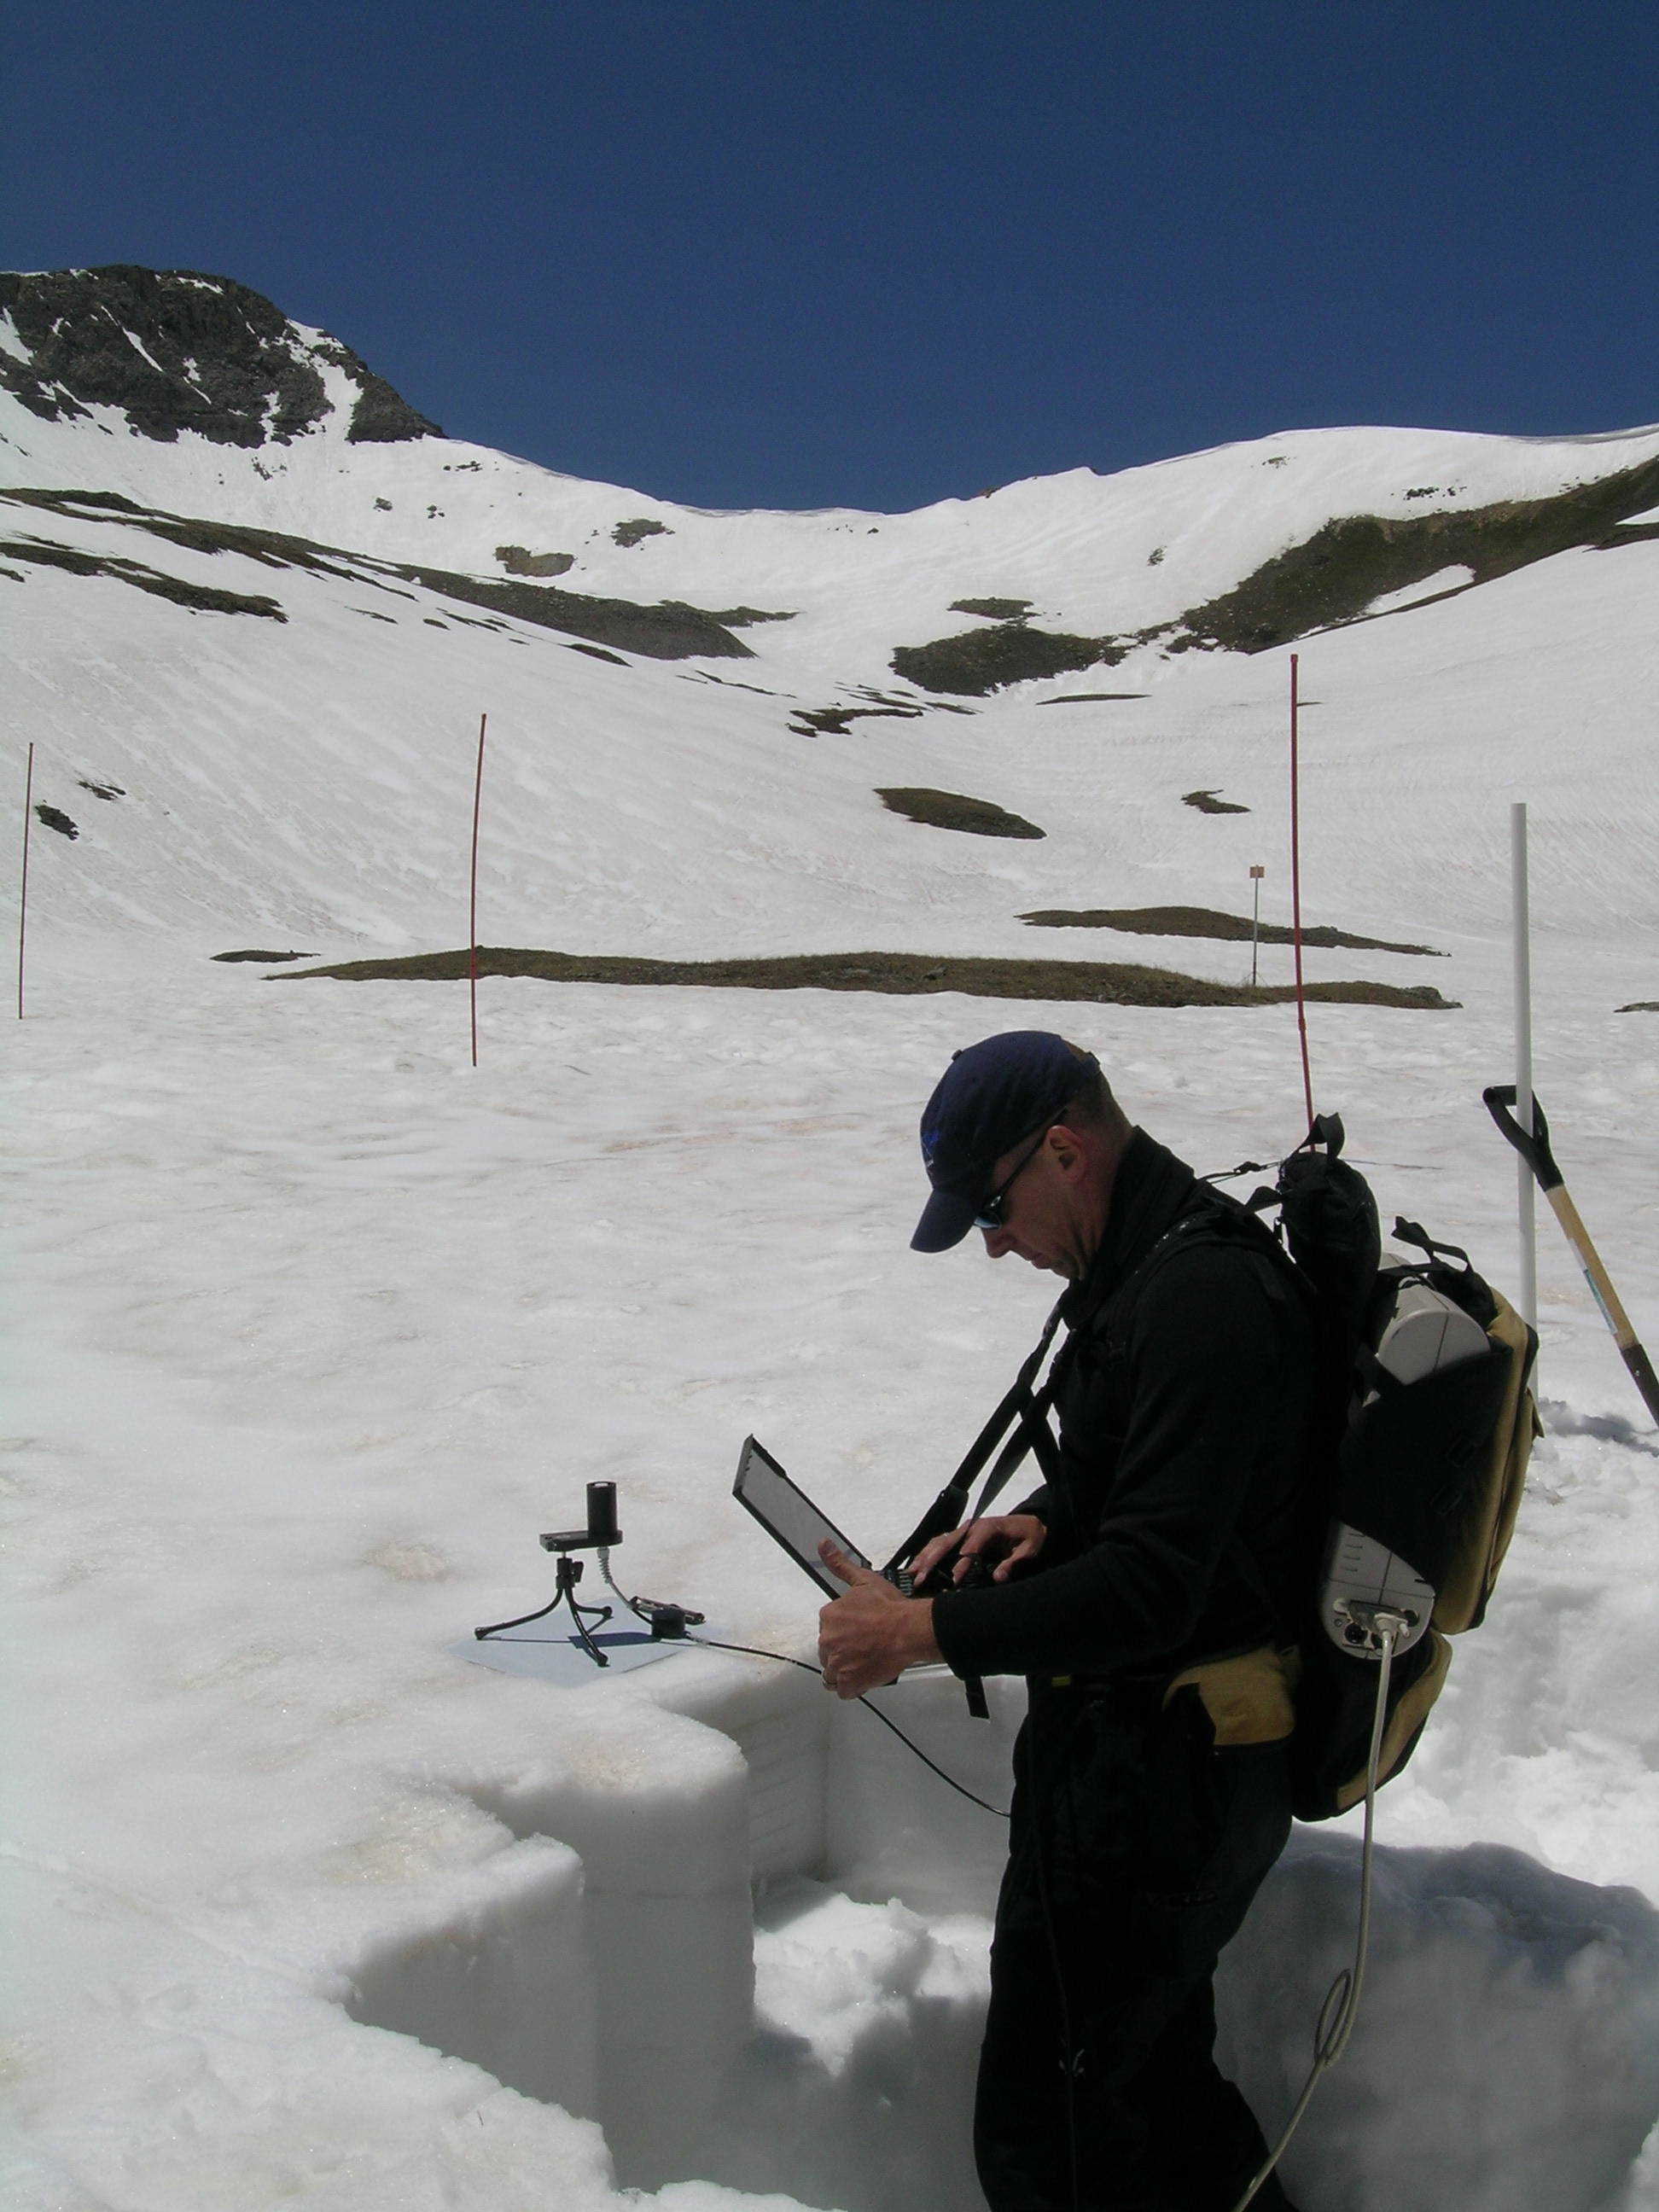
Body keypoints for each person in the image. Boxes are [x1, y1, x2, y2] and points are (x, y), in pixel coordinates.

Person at [817, 1030, 1316, 2212]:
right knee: (1156, 2097)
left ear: (1063, 1151)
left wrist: (915, 1636)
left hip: (1167, 1789)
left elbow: (1153, 1588)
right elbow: (1167, 1490)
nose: (994, 1242)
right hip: (1154, 1778)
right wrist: (1046, 1517)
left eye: (993, 1208)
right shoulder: (1146, 1268)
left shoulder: (1199, 1295)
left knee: (1053, 2149)